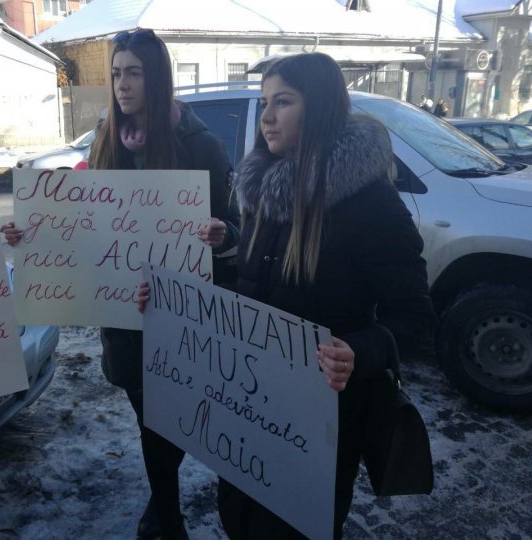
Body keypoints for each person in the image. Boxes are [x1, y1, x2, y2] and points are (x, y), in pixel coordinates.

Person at [141, 53, 435, 539]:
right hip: (249, 403)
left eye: (283, 102)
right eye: (263, 104)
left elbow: (416, 320)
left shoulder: (368, 202)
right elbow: (251, 292)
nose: (267, 117)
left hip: (321, 416)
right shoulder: (263, 190)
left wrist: (356, 351)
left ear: (318, 107)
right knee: (238, 516)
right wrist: (176, 303)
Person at [1, 29, 238, 540]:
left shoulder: (202, 148)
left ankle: (163, 499)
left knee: (176, 424)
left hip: (182, 318)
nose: (122, 84)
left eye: (134, 72)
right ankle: (169, 517)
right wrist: (31, 235)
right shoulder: (106, 141)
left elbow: (230, 229)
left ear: (157, 78)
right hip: (125, 320)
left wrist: (223, 237)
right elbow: (81, 226)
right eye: (115, 73)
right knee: (151, 423)